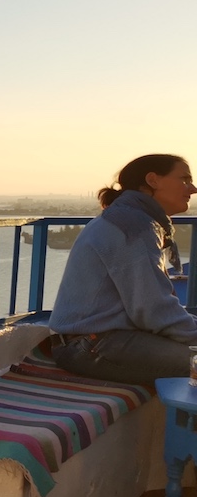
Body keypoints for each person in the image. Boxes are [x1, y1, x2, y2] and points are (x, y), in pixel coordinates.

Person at [49, 154, 197, 385]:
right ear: (153, 180)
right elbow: (153, 310)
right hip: (94, 345)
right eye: (185, 179)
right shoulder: (134, 226)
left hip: (97, 340)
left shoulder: (128, 218)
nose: (193, 188)